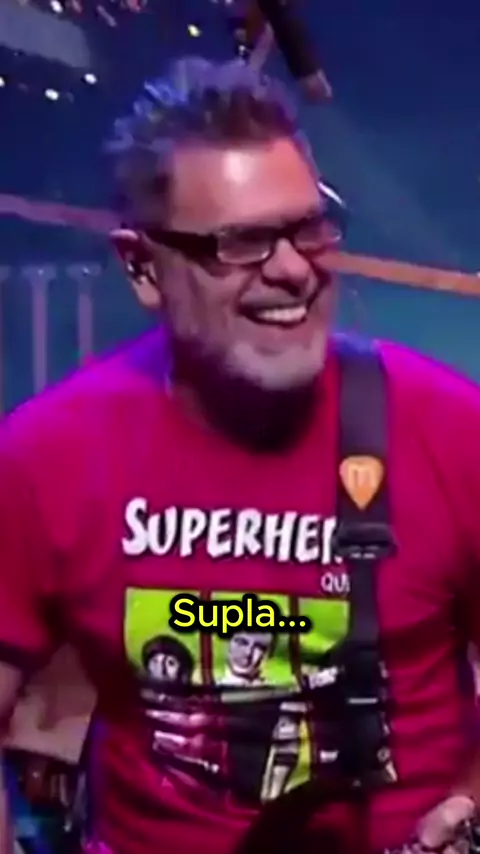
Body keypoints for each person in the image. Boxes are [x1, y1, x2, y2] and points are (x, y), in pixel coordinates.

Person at [1, 54, 480, 854]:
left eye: (307, 227)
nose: (292, 270)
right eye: (241, 243)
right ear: (142, 268)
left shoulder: (452, 429)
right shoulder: (43, 456)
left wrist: (470, 807)